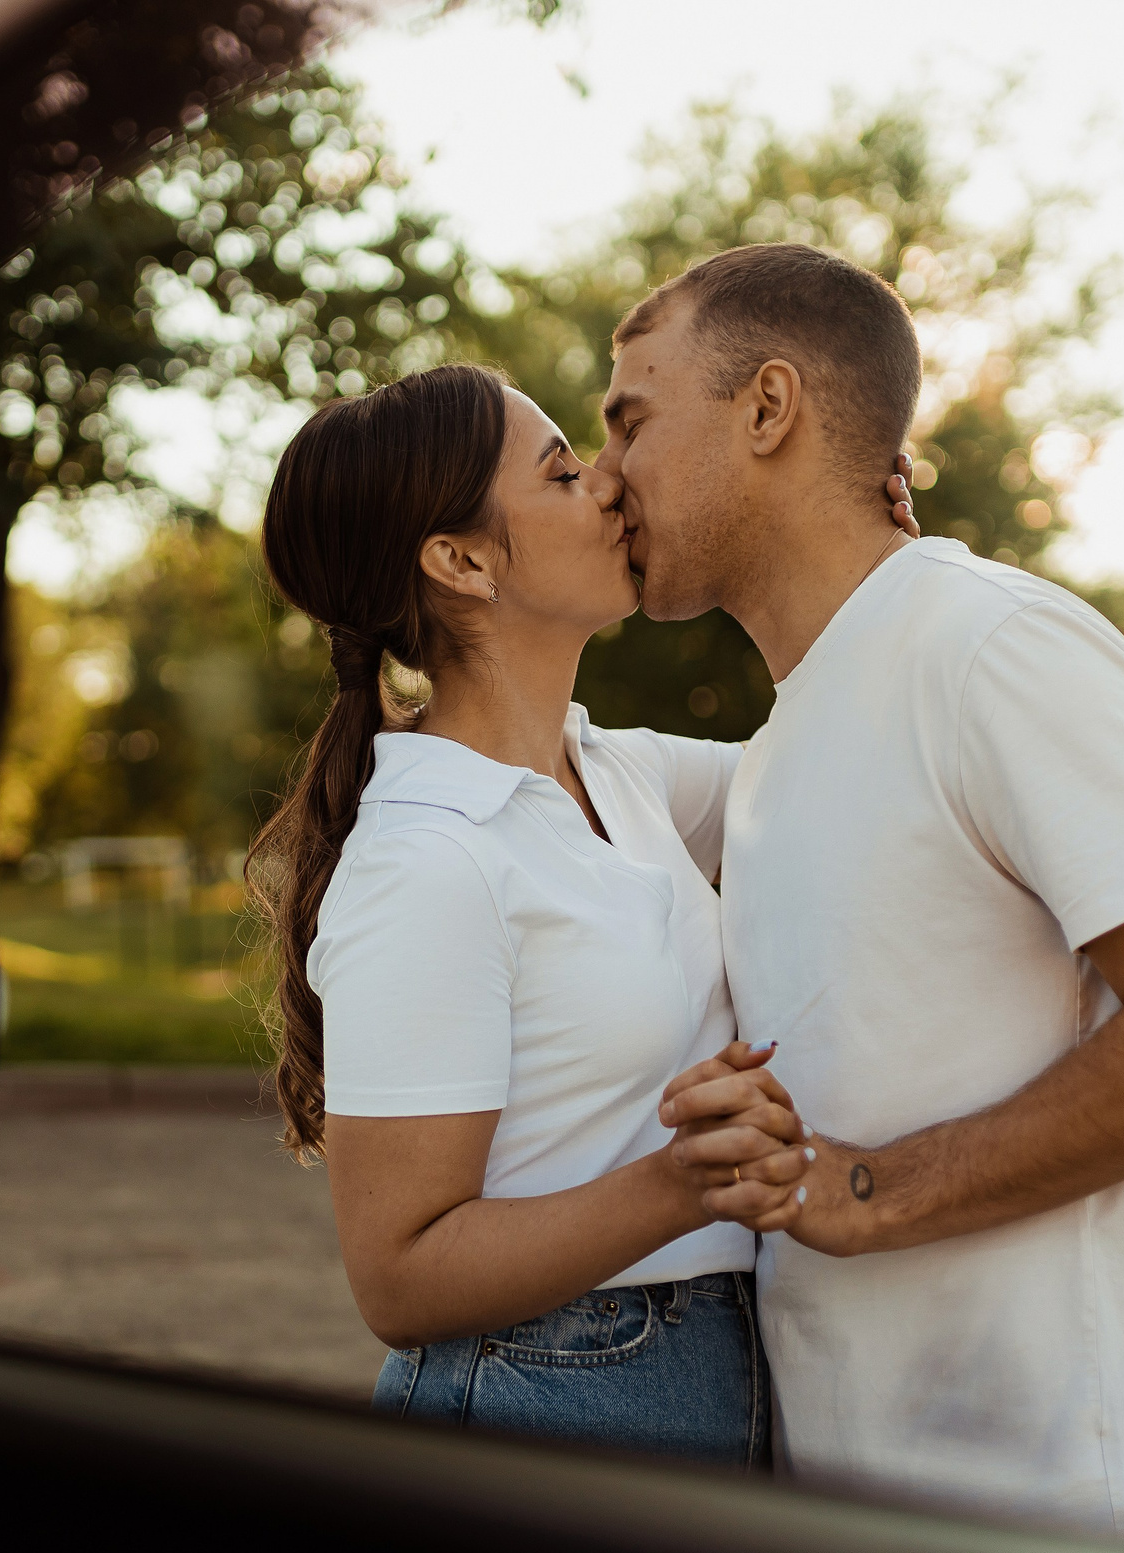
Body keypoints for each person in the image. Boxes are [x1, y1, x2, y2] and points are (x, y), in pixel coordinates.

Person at [595, 242, 1124, 1553]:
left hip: (1069, 1541)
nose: (603, 474)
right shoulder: (783, 747)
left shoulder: (993, 644)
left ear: (767, 407)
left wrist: (870, 1188)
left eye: (630, 419)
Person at [245, 363, 888, 1467]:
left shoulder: (614, 772)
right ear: (461, 561)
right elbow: (398, 1277)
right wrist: (679, 1181)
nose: (608, 484)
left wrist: (861, 540)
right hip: (537, 1398)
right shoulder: (427, 860)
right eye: (560, 472)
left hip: (703, 1374)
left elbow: (850, 763)